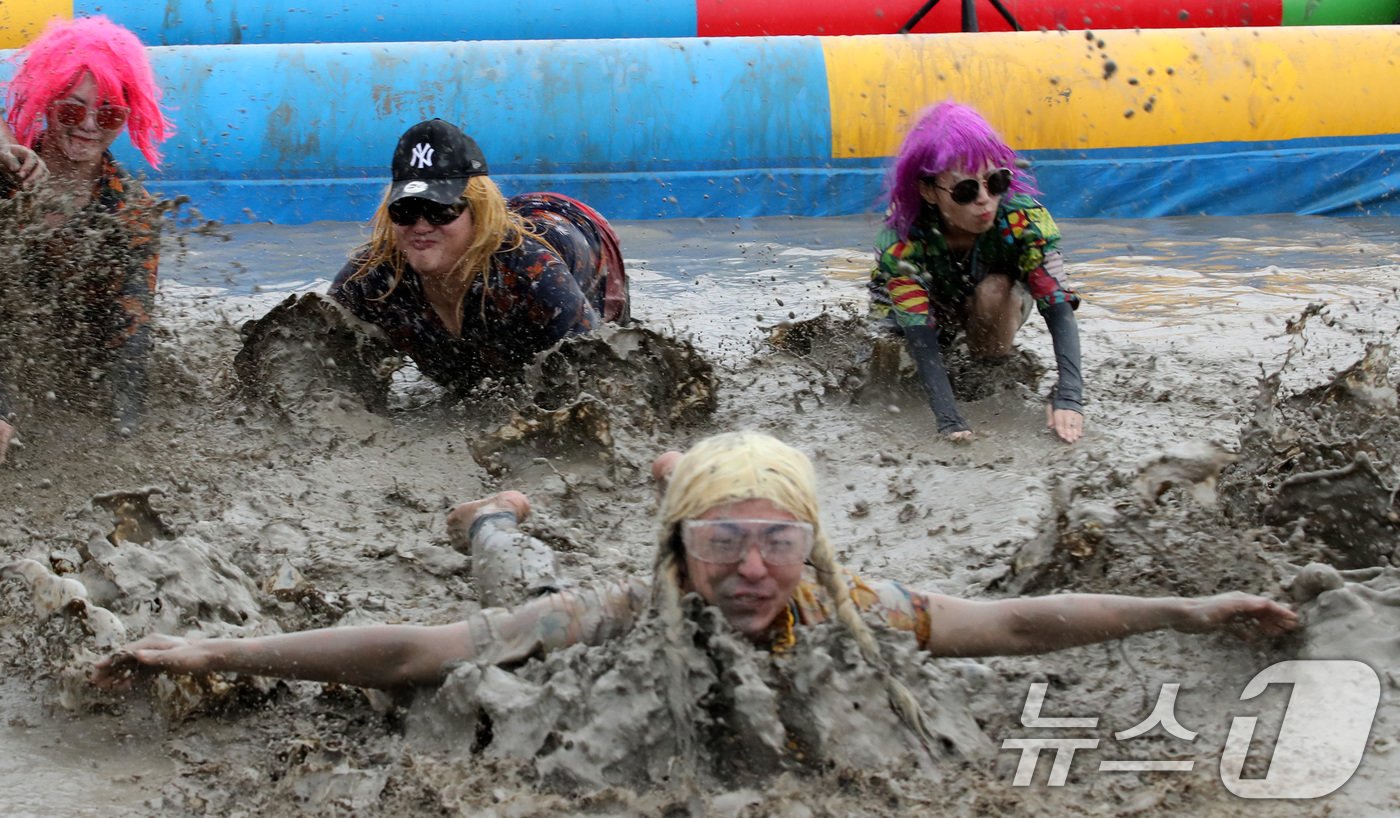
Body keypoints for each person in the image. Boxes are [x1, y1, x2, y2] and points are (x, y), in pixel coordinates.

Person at [94, 431, 1297, 745]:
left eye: (776, 542)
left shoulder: (847, 604)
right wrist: (217, 650)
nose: (753, 571)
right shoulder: (626, 606)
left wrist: (1187, 609)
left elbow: (1022, 622)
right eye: (722, 543)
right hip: (560, 594)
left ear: (812, 550)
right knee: (520, 574)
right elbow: (422, 651)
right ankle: (493, 514)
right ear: (680, 553)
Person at [327, 118, 629, 394]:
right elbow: (319, 370)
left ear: (478, 214)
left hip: (582, 235)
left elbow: (604, 387)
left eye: (440, 210)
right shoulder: (371, 279)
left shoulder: (535, 277)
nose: (421, 226)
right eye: (405, 210)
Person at [0, 16, 171, 464]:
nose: (89, 127)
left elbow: (133, 336)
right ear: (47, 101)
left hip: (72, 367)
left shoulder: (132, 212)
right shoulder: (6, 174)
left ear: (129, 117)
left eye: (109, 113)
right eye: (72, 110)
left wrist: (124, 435)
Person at [869, 102, 1085, 444]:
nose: (984, 200)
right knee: (888, 361)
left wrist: (1070, 397)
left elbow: (1057, 306)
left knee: (995, 290)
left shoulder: (1025, 222)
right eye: (965, 190)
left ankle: (988, 370)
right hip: (921, 304)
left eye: (996, 182)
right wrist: (949, 419)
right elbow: (919, 338)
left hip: (992, 294)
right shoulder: (901, 241)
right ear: (927, 191)